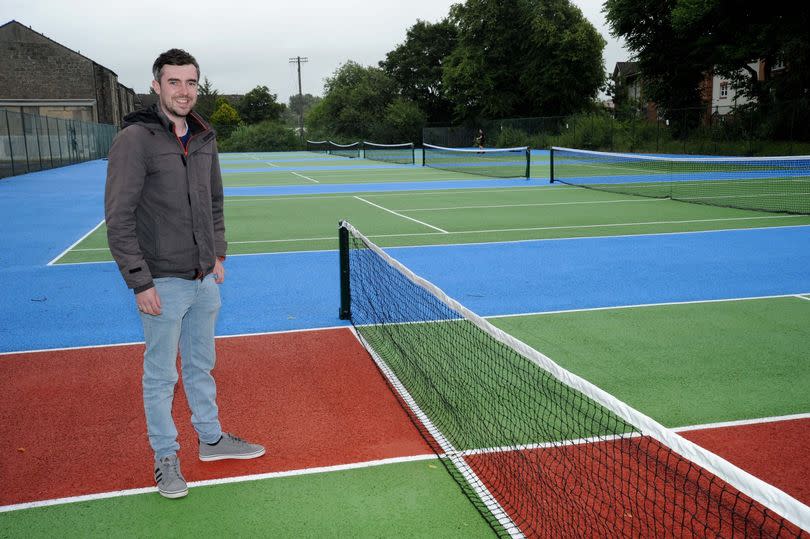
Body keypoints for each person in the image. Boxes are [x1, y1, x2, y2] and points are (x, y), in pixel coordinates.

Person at [105, 49, 265, 500]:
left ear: (199, 86)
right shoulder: (135, 140)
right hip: (162, 281)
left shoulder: (203, 136)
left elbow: (213, 202)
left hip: (203, 278)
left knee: (201, 366)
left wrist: (217, 256)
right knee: (161, 376)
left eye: (191, 82)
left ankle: (211, 440)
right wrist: (140, 280)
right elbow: (119, 217)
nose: (183, 91)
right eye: (173, 82)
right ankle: (166, 456)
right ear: (156, 86)